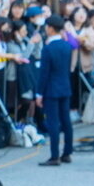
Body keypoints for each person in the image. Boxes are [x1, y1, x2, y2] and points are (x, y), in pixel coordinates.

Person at [36, 14, 74, 166]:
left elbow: (44, 73)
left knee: (53, 122)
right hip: (65, 86)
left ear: (51, 29)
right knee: (66, 121)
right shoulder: (66, 46)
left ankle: (54, 155)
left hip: (51, 89)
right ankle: (67, 153)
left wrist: (39, 93)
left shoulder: (48, 49)